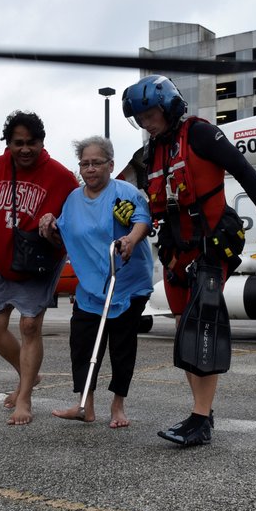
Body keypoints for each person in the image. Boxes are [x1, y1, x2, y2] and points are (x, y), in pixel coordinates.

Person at [121, 74, 256, 447]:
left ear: (168, 106)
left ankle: (200, 419)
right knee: (185, 329)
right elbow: (135, 196)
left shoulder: (199, 134)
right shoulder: (149, 154)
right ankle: (201, 414)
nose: (147, 123)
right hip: (175, 253)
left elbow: (245, 171)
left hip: (211, 247)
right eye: (141, 117)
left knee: (202, 329)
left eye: (150, 113)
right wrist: (125, 211)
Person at [0, 111, 78, 425]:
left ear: (42, 142)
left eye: (31, 143)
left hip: (38, 264)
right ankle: (28, 375)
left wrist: (57, 230)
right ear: (7, 143)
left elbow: (76, 221)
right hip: (1, 261)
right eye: (18, 143)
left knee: (29, 327)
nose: (25, 149)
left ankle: (24, 399)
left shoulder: (62, 177)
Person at [39, 136, 153, 428]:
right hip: (90, 287)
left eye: (96, 163)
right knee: (82, 344)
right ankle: (85, 406)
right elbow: (62, 235)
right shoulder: (73, 200)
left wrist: (130, 238)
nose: (90, 169)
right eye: (84, 164)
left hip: (126, 283)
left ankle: (118, 406)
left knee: (121, 346)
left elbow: (143, 220)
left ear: (110, 165)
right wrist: (49, 223)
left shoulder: (124, 192)